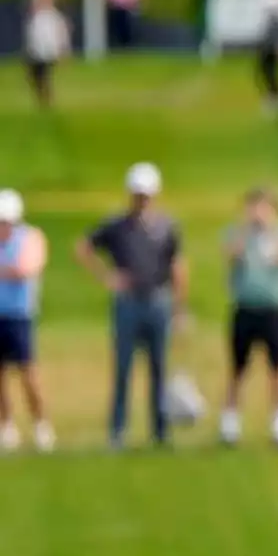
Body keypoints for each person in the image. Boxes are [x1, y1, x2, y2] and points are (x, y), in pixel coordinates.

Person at [75, 162, 189, 449]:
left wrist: (180, 306)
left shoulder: (167, 226)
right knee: (123, 368)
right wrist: (107, 276)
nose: (142, 200)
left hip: (157, 301)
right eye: (138, 194)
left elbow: (177, 265)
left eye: (146, 194)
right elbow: (83, 247)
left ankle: (160, 431)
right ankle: (118, 431)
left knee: (159, 368)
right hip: (128, 303)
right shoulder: (117, 226)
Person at [220, 187, 278, 447]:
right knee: (238, 369)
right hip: (245, 307)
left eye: (264, 208)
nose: (258, 213)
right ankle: (230, 425)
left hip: (273, 308)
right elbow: (231, 255)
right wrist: (246, 227)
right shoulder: (238, 234)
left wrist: (271, 228)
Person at [0, 189, 55, 452]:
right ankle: (6, 426)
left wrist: (8, 270)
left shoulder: (31, 237)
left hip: (20, 315)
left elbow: (26, 269)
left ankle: (41, 425)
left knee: (28, 373)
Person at [23, 0, 71, 110]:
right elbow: (32, 35)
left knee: (44, 75)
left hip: (49, 52)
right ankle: (42, 97)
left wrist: (63, 51)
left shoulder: (54, 16)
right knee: (35, 76)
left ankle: (47, 99)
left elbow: (62, 34)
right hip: (36, 52)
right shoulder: (36, 17)